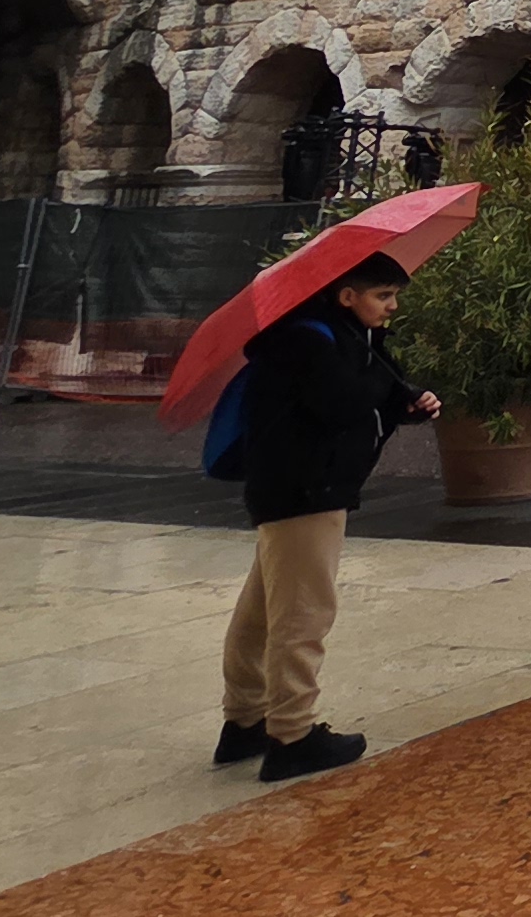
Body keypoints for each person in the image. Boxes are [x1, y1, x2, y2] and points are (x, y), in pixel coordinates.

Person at [218, 252, 438, 783]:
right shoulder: (308, 341)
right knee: (304, 613)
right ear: (347, 296)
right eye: (383, 296)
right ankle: (292, 735)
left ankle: (245, 720)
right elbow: (343, 403)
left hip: (296, 487)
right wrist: (386, 384)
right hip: (306, 490)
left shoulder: (337, 336)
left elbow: (360, 399)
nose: (392, 306)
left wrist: (403, 399)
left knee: (263, 610)